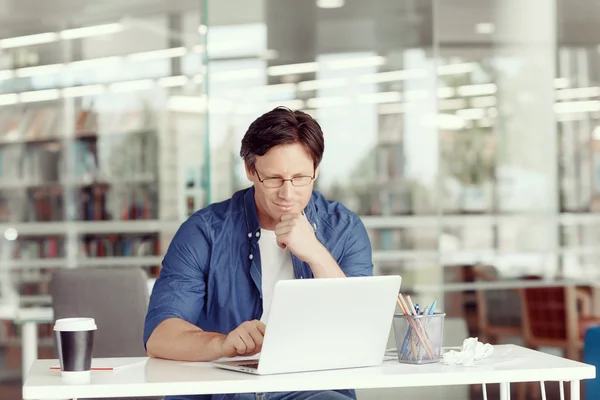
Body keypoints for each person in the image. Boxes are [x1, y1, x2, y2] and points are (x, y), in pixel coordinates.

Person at [144, 107, 374, 400]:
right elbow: (159, 337)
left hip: (311, 390)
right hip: (222, 390)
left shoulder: (344, 229)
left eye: (301, 177)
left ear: (316, 170)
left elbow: (357, 332)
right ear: (250, 170)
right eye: (274, 179)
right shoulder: (204, 232)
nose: (288, 194)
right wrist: (223, 343)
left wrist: (316, 253)